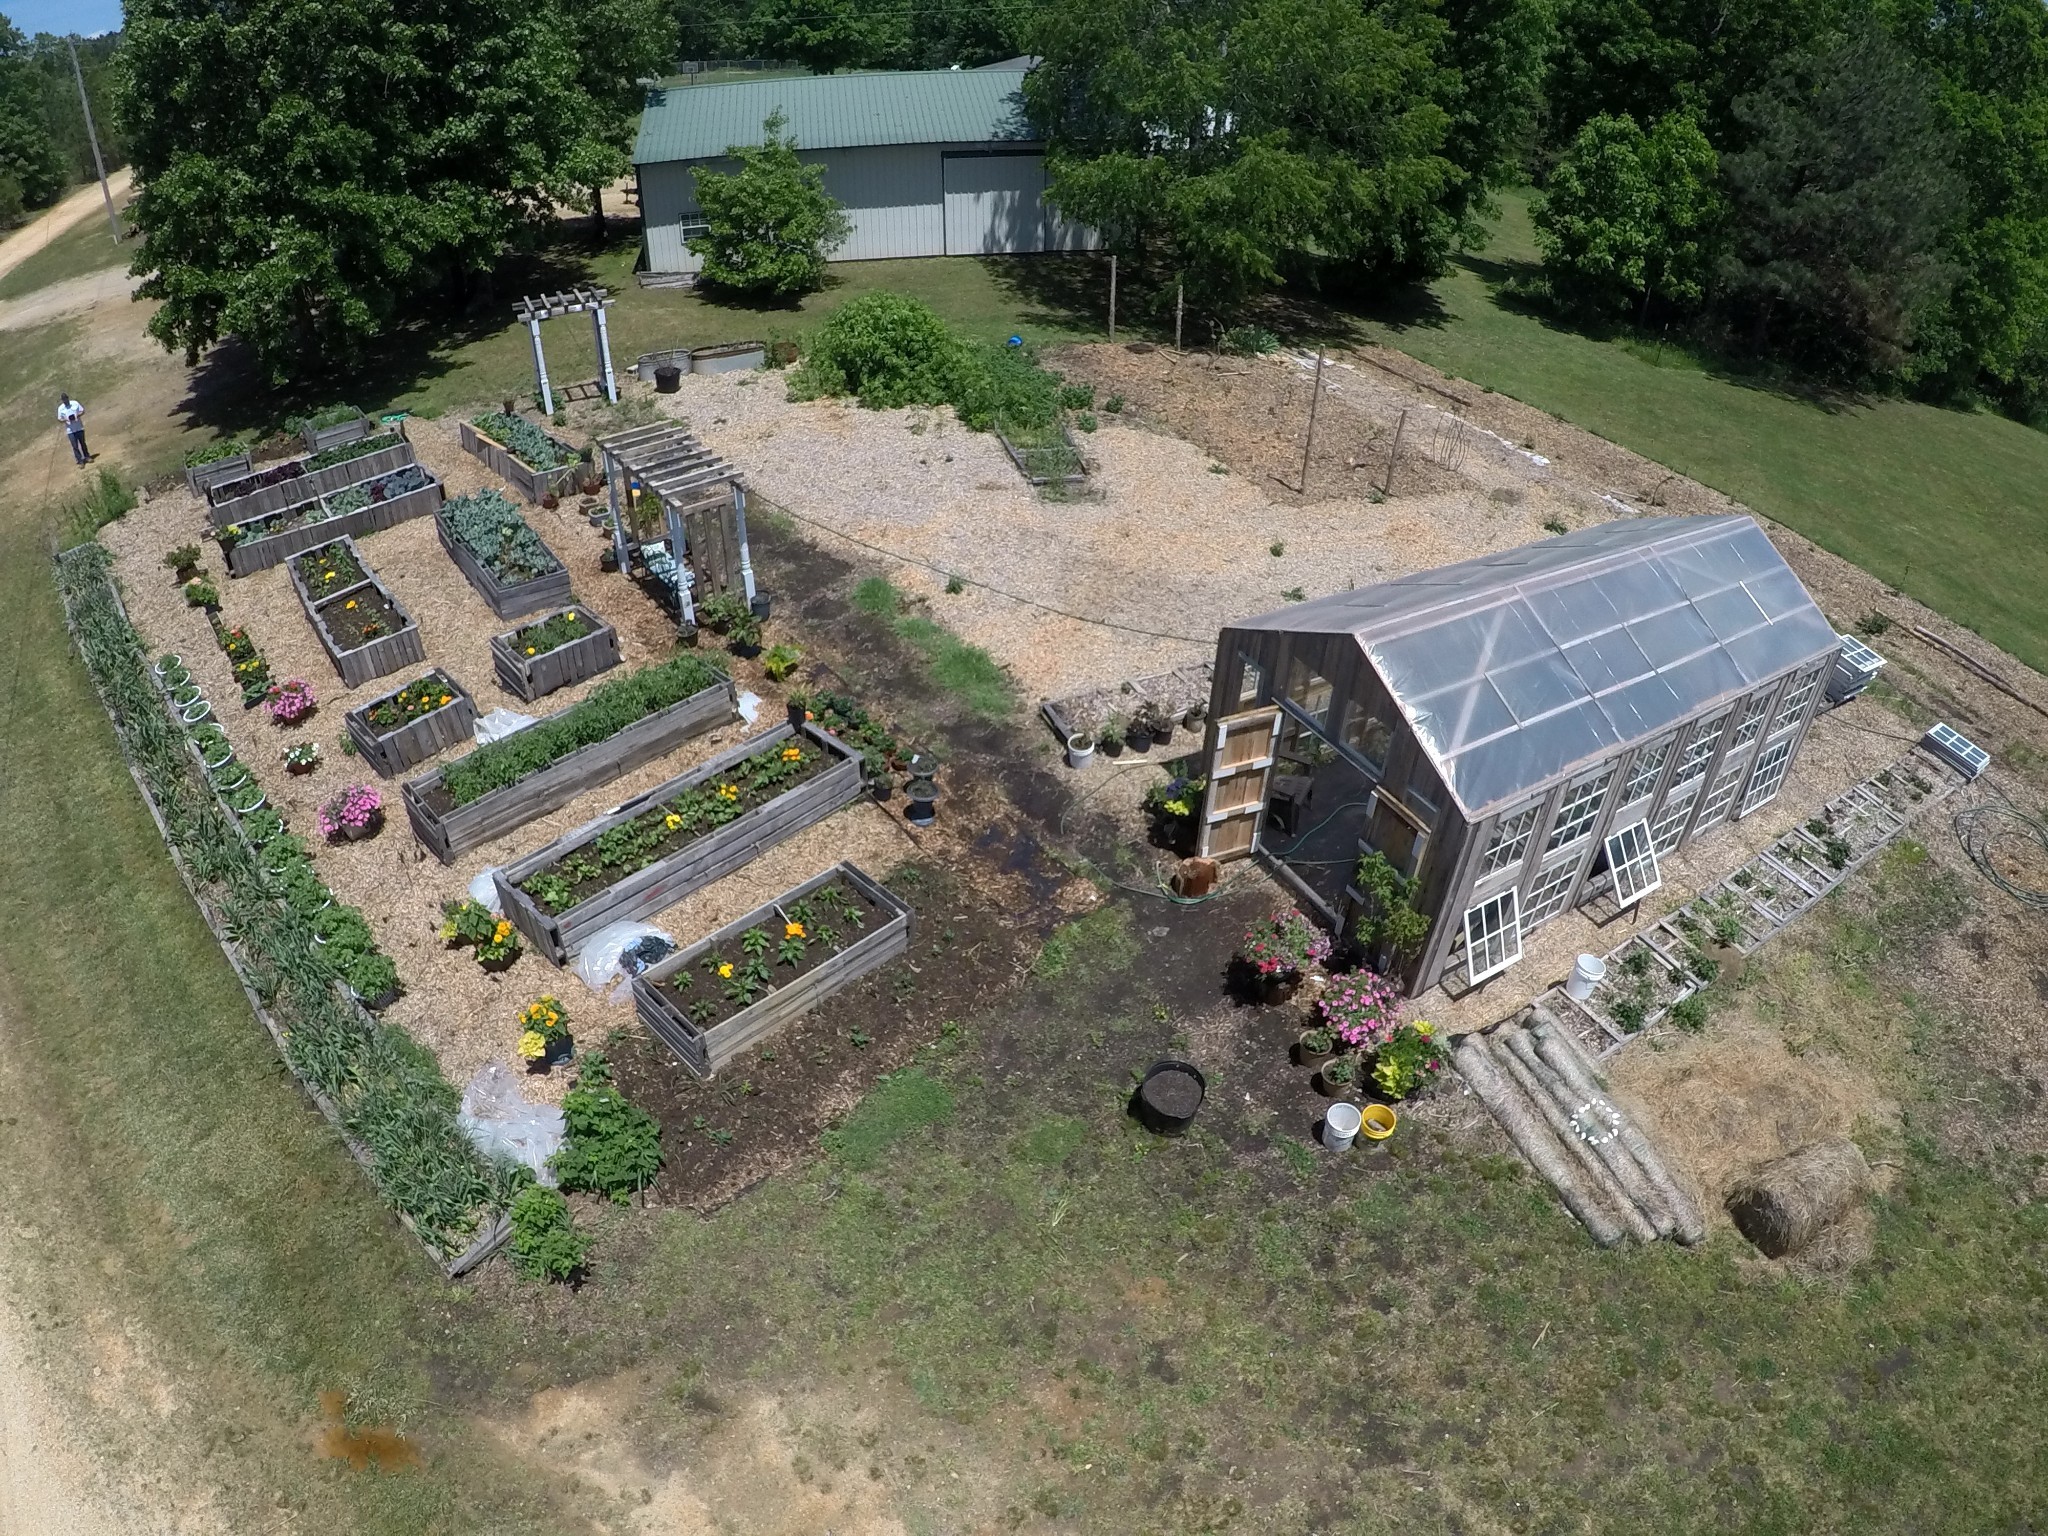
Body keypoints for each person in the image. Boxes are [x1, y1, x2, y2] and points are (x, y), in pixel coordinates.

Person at [57, 393, 90, 465]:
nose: (65, 401)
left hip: (79, 427)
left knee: (83, 443)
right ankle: (80, 460)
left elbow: (82, 411)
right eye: (63, 399)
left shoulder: (75, 403)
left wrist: (77, 416)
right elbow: (59, 419)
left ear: (68, 398)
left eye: (65, 399)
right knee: (75, 446)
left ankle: (87, 456)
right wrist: (66, 420)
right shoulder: (60, 408)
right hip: (70, 430)